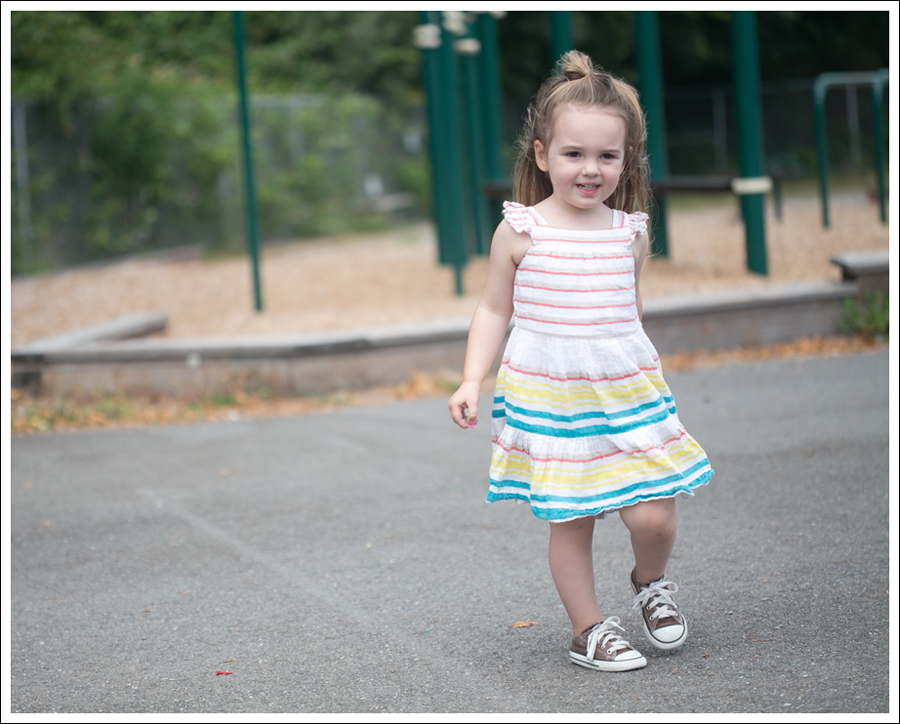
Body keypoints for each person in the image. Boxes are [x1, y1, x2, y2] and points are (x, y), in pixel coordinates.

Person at [447, 50, 714, 672]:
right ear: (542, 155)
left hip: (625, 393)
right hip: (553, 396)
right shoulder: (521, 231)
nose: (589, 170)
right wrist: (470, 379)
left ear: (626, 160)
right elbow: (492, 310)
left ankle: (650, 582)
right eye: (573, 155)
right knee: (573, 517)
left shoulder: (630, 231)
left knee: (654, 512)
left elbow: (630, 310)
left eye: (606, 156)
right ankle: (587, 627)